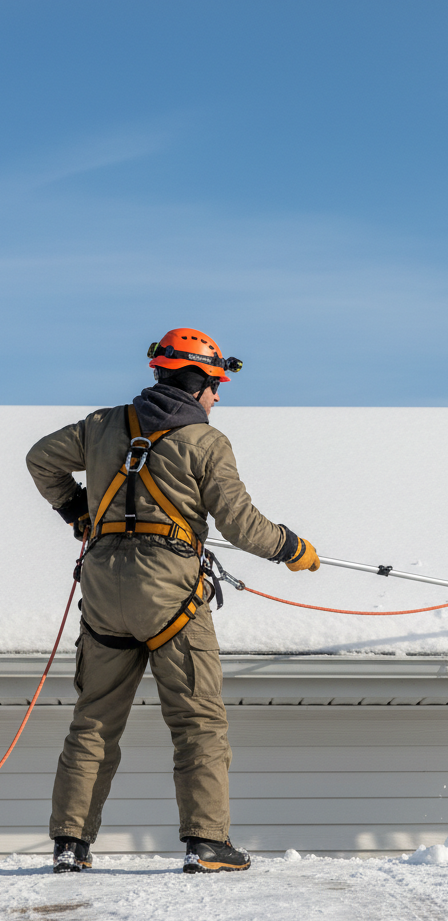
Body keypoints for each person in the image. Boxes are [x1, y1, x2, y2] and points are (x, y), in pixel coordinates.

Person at [26, 329, 320, 874]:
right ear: (196, 379)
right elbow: (241, 525)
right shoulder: (207, 443)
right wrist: (292, 548)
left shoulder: (99, 425)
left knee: (92, 722)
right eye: (215, 384)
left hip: (103, 590)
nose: (218, 396)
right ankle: (207, 842)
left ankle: (70, 845)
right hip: (170, 595)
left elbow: (40, 458)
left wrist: (77, 513)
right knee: (198, 721)